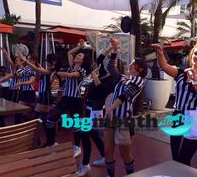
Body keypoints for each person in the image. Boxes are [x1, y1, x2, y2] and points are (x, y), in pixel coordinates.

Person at [77, 40, 123, 176]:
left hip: (96, 110)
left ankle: (85, 165)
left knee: (85, 134)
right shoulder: (103, 72)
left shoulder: (114, 80)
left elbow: (102, 90)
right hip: (90, 106)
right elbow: (100, 58)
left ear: (117, 67)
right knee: (92, 134)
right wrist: (111, 47)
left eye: (114, 64)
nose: (111, 64)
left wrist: (95, 76)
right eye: (111, 63)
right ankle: (104, 156)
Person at [104, 43, 147, 177]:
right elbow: (110, 67)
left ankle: (130, 175)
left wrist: (110, 108)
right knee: (108, 150)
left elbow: (125, 95)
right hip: (111, 118)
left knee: (125, 153)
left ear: (139, 68)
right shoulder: (123, 78)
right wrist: (115, 50)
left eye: (133, 64)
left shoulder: (139, 80)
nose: (130, 65)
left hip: (123, 120)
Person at [44, 39, 91, 158]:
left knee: (75, 125)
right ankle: (51, 142)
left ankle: (77, 147)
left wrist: (56, 73)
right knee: (50, 119)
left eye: (80, 55)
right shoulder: (71, 67)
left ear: (83, 60)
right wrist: (79, 46)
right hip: (66, 98)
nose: (77, 55)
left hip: (76, 100)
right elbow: (69, 53)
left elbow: (71, 75)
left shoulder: (82, 70)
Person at [152, 43, 197, 166]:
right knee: (176, 155)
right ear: (191, 55)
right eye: (196, 53)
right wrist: (160, 53)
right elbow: (164, 66)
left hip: (193, 118)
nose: (196, 56)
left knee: (184, 157)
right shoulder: (182, 73)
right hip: (178, 115)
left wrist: (195, 80)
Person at [18, 52, 60, 134]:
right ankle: (41, 136)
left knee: (44, 118)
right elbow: (38, 71)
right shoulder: (46, 69)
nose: (46, 62)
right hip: (42, 94)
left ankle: (49, 137)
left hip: (46, 94)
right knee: (37, 116)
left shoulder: (51, 70)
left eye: (47, 61)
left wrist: (26, 61)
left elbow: (37, 70)